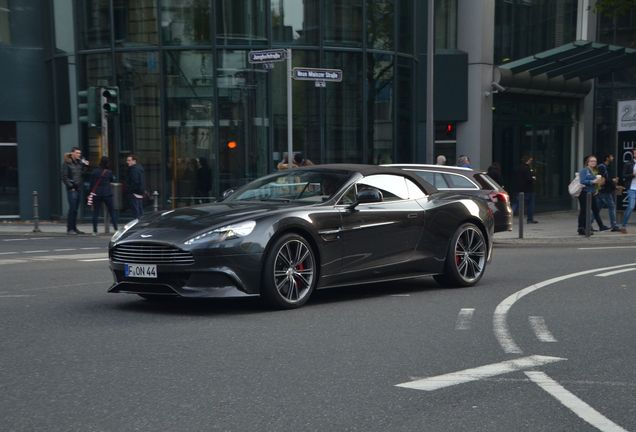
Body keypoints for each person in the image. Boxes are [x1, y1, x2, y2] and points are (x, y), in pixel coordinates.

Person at [61, 146, 89, 235]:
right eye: (77, 153)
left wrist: (85, 165)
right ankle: (70, 229)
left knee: (76, 209)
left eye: (79, 153)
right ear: (72, 153)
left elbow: (82, 174)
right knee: (72, 208)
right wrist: (71, 186)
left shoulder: (79, 163)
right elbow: (64, 177)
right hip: (72, 189)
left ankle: (74, 228)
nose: (78, 155)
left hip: (78, 188)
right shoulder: (67, 163)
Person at [577, 155, 608, 235]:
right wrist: (592, 182)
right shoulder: (584, 170)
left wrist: (598, 184)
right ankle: (581, 228)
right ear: (588, 162)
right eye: (592, 161)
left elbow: (596, 181)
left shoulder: (593, 171)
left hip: (592, 193)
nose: (594, 162)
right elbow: (582, 181)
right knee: (584, 211)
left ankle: (600, 226)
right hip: (584, 193)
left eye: (595, 161)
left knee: (595, 209)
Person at [88, 156, 118, 235]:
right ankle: (115, 229)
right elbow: (112, 179)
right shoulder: (109, 172)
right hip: (107, 193)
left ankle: (95, 231)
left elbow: (91, 184)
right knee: (112, 211)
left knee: (96, 212)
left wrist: (91, 193)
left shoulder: (94, 172)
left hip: (97, 194)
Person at [596, 153, 620, 232]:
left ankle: (588, 223)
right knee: (612, 206)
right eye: (611, 157)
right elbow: (603, 178)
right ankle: (614, 225)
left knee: (597, 208)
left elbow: (606, 178)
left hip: (604, 190)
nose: (613, 158)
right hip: (604, 190)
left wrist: (614, 184)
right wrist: (612, 180)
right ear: (607, 158)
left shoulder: (606, 167)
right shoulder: (602, 167)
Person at [512, 155, 538, 223]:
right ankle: (530, 219)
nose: (531, 161)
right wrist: (533, 178)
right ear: (528, 160)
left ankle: (509, 216)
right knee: (530, 204)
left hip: (518, 189)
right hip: (528, 189)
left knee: (516, 203)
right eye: (531, 160)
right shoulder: (527, 168)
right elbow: (529, 179)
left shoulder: (518, 168)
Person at [619, 148, 636, 233]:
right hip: (632, 188)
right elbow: (624, 175)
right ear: (633, 154)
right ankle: (623, 226)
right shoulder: (628, 163)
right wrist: (633, 175)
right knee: (631, 206)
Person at [126, 154, 145, 219]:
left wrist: (130, 190)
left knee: (136, 211)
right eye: (127, 160)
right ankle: (141, 224)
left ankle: (138, 226)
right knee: (139, 210)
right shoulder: (139, 168)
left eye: (129, 160)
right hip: (139, 192)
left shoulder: (134, 170)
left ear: (134, 161)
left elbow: (135, 182)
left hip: (134, 193)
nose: (127, 162)